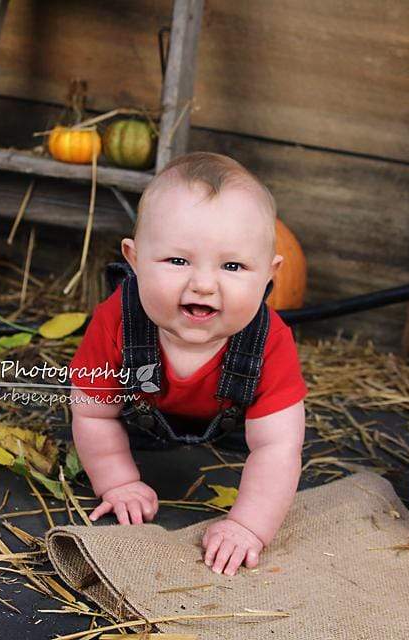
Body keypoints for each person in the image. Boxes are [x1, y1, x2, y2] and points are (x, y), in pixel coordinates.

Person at [67, 151, 308, 577]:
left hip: (236, 430)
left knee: (275, 439)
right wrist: (118, 481)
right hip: (137, 422)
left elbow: (276, 447)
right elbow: (92, 411)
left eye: (233, 266)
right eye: (178, 260)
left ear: (269, 276)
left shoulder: (270, 342)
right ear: (134, 259)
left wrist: (247, 525)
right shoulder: (116, 321)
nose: (202, 283)